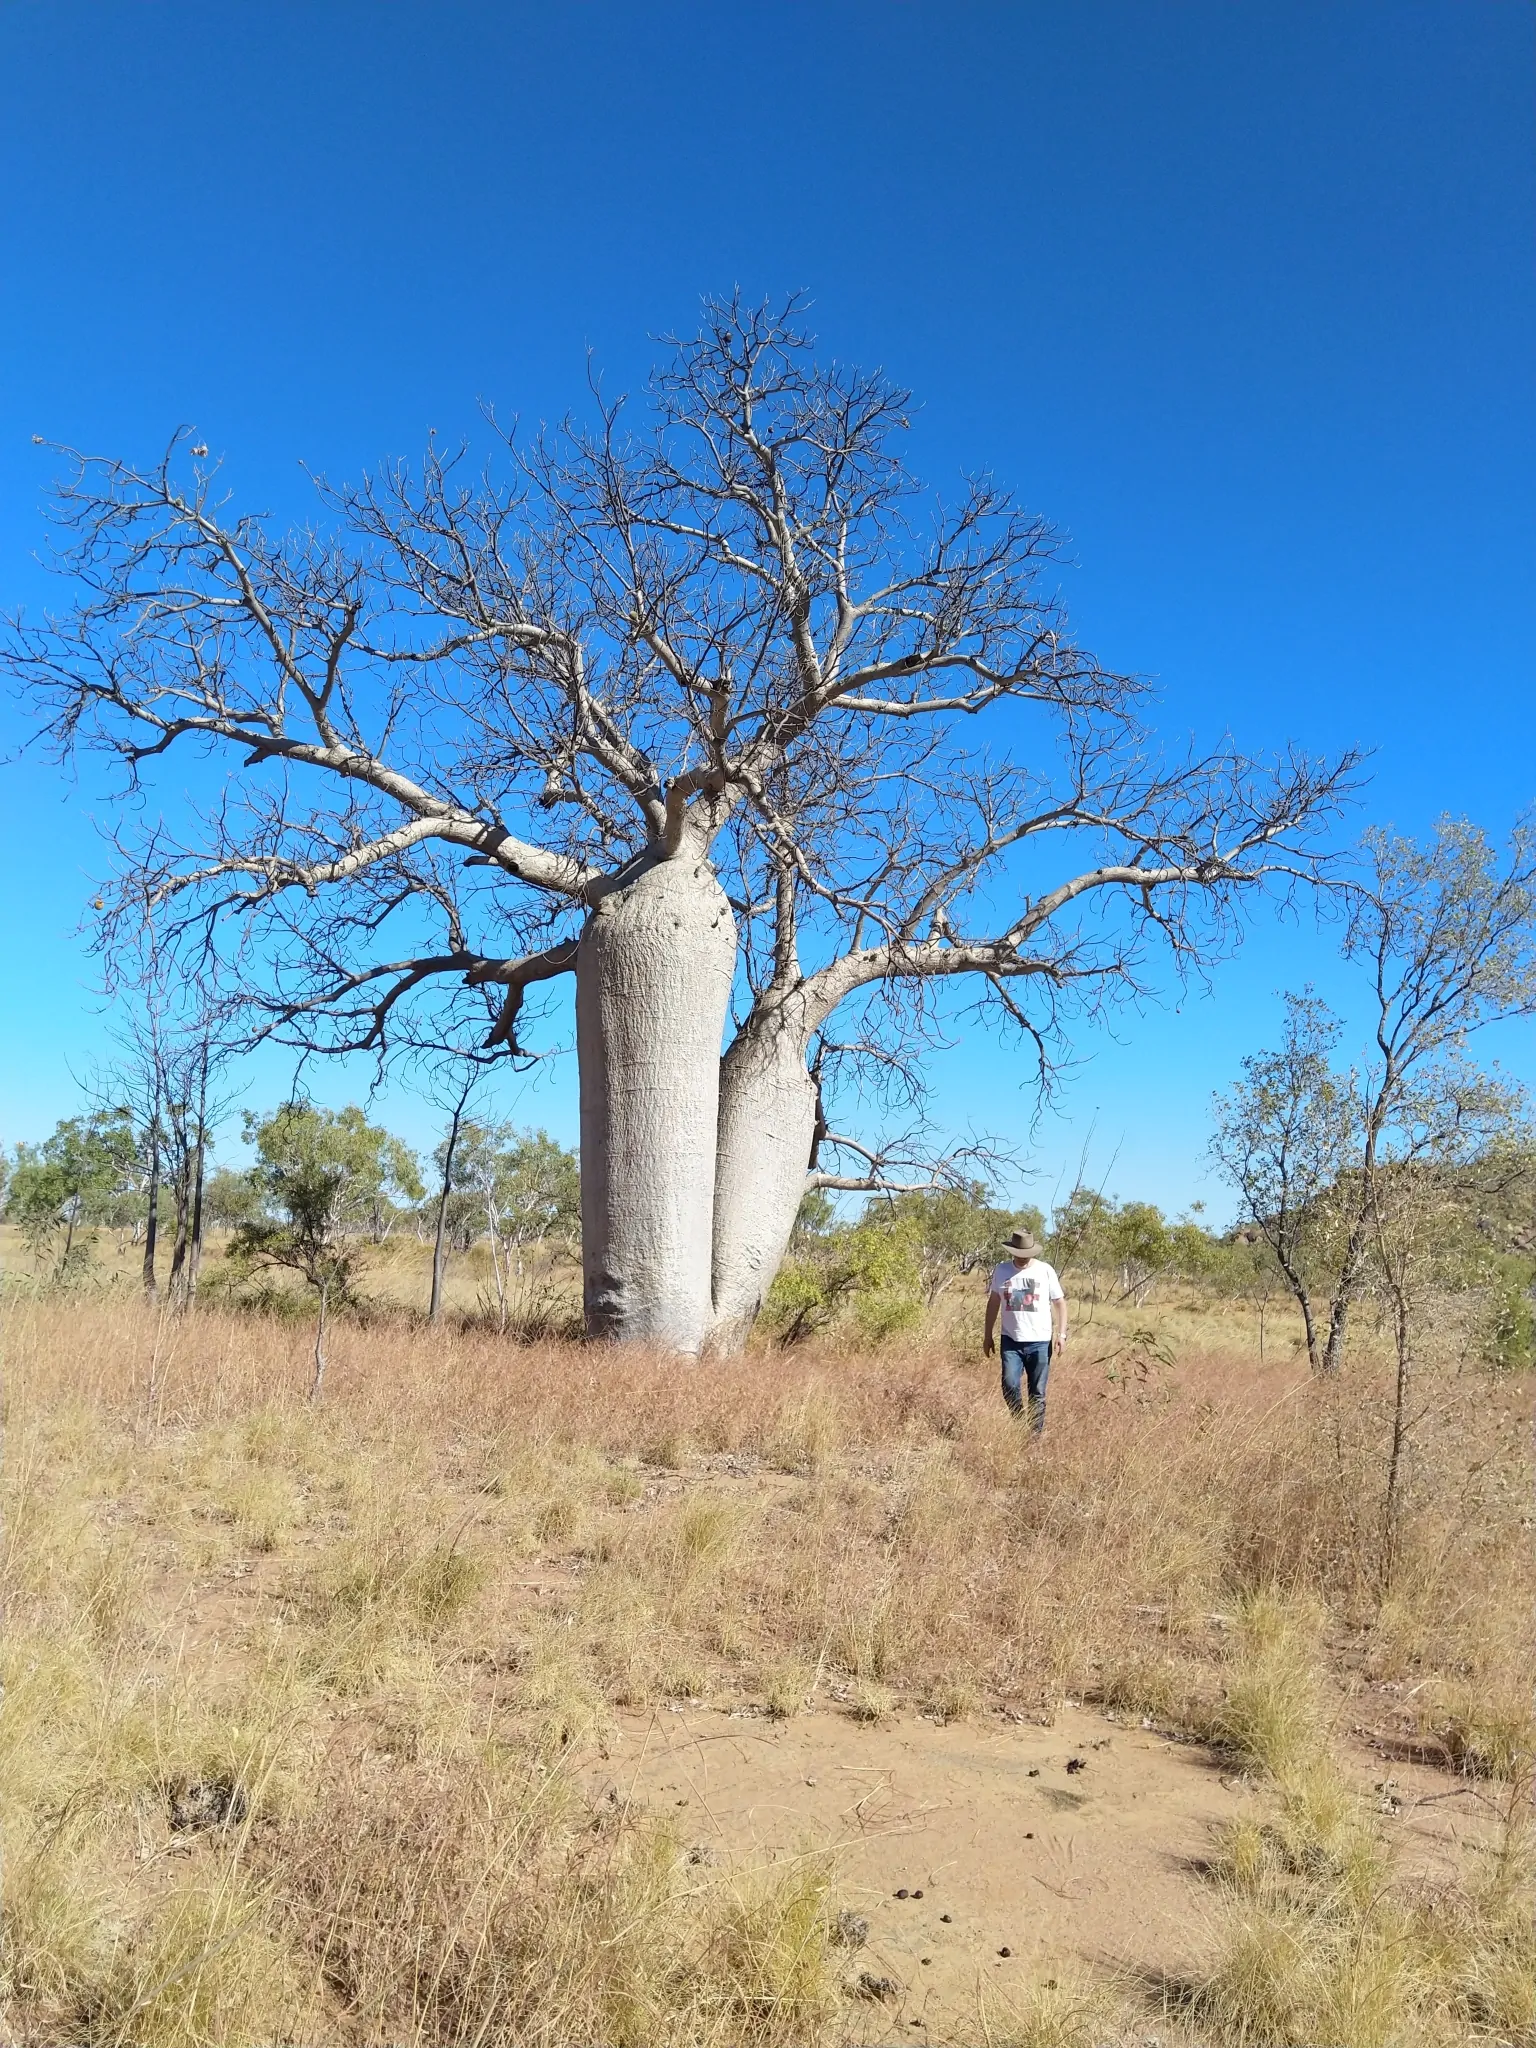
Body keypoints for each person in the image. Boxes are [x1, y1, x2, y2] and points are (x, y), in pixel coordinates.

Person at [983, 1229, 1067, 1433]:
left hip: (1040, 1342)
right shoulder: (1002, 1270)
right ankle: (1020, 1423)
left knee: (1037, 1392)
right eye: (1018, 1254)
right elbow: (993, 1302)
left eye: (1026, 1254)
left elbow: (1060, 1303)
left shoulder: (1045, 1270)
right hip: (1010, 1340)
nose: (1022, 1258)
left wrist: (1062, 1334)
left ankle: (1034, 1436)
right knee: (1009, 1384)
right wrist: (987, 1335)